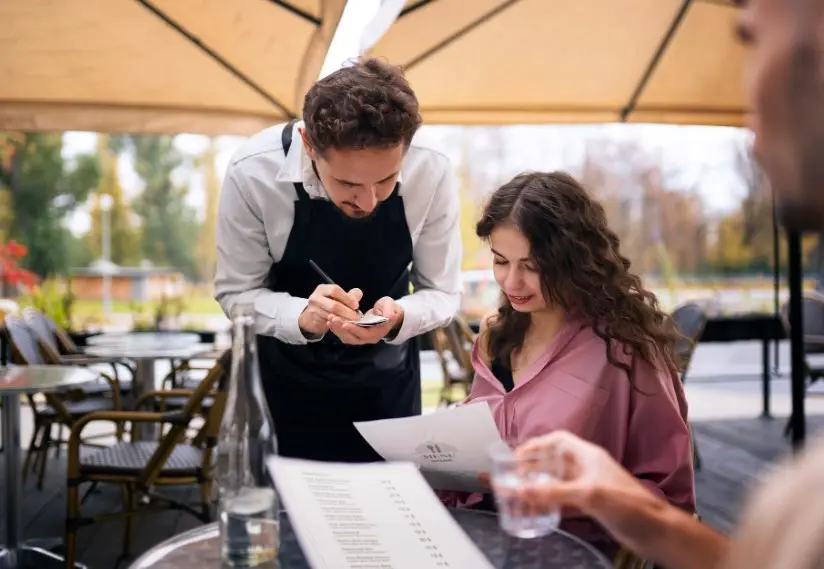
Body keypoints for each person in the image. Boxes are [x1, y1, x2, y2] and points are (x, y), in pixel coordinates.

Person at [506, 0, 824, 567]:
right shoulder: (803, 497)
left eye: (752, 42)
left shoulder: (623, 352)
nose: (750, 130)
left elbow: (675, 487)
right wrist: (630, 507)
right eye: (500, 261)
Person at [214, 58, 462, 463]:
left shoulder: (431, 169)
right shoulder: (252, 171)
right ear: (308, 144)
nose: (368, 201)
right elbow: (235, 293)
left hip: (389, 391)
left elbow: (444, 292)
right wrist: (302, 316)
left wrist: (400, 315)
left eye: (386, 180)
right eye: (347, 183)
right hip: (283, 394)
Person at [438, 171, 695, 557]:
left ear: (572, 259)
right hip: (481, 538)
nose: (511, 282)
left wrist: (573, 494)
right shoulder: (496, 337)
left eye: (531, 266)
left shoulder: (625, 350)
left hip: (573, 551)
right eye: (501, 261)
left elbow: (670, 497)